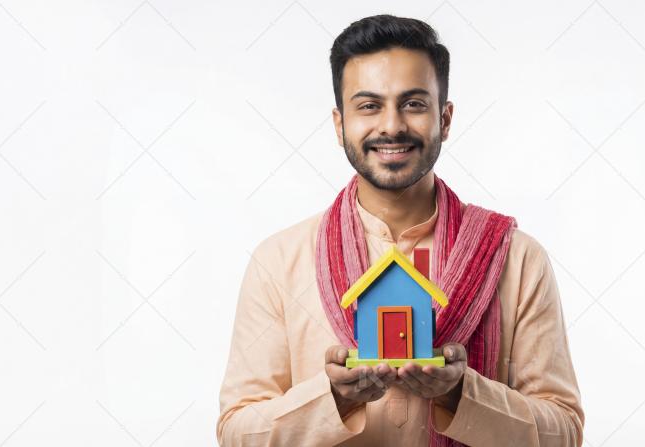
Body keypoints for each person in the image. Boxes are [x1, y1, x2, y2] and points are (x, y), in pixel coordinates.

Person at [217, 14, 584, 447]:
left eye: (413, 104)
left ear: (444, 119)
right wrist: (332, 398)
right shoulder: (279, 261)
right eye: (369, 105)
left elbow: (564, 434)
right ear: (340, 124)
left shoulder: (515, 258)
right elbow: (237, 433)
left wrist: (460, 394)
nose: (391, 126)